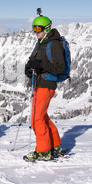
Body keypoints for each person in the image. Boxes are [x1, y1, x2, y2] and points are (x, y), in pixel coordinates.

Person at [24, 15, 65, 161]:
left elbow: (60, 67)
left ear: (46, 29)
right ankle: (55, 145)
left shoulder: (53, 44)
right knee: (42, 117)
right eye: (34, 29)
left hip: (46, 85)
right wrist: (28, 68)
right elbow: (32, 60)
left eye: (38, 29)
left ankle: (44, 151)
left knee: (37, 120)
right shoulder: (40, 43)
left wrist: (41, 66)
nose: (36, 32)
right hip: (38, 84)